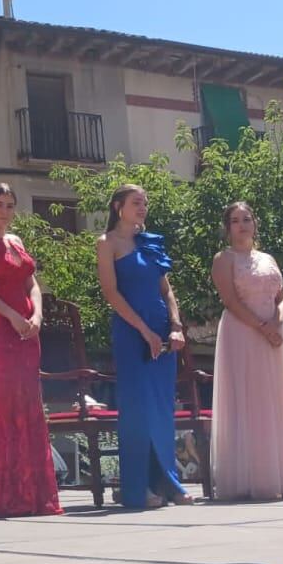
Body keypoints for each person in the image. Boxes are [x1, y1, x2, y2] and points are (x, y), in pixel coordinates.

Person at [209, 202, 283, 500]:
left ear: (255, 223)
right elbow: (230, 300)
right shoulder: (223, 259)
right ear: (228, 227)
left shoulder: (268, 258)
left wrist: (276, 322)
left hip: (275, 333)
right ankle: (255, 478)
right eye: (235, 220)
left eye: (247, 219)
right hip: (242, 332)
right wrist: (262, 328)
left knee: (279, 398)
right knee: (251, 399)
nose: (242, 225)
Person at [0, 185, 63, 518]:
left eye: (10, 205)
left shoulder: (17, 242)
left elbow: (32, 284)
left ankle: (36, 495)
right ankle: (8, 496)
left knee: (29, 403)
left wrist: (36, 315)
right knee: (3, 405)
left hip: (26, 330)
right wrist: (12, 316)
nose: (5, 211)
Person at [96, 183, 193, 510]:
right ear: (117, 206)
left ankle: (167, 481)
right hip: (130, 331)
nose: (142, 208)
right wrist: (144, 331)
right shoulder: (107, 244)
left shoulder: (150, 242)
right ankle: (138, 488)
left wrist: (176, 327)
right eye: (136, 202)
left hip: (162, 333)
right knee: (137, 411)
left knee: (162, 410)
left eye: (145, 203)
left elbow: (166, 290)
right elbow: (111, 293)